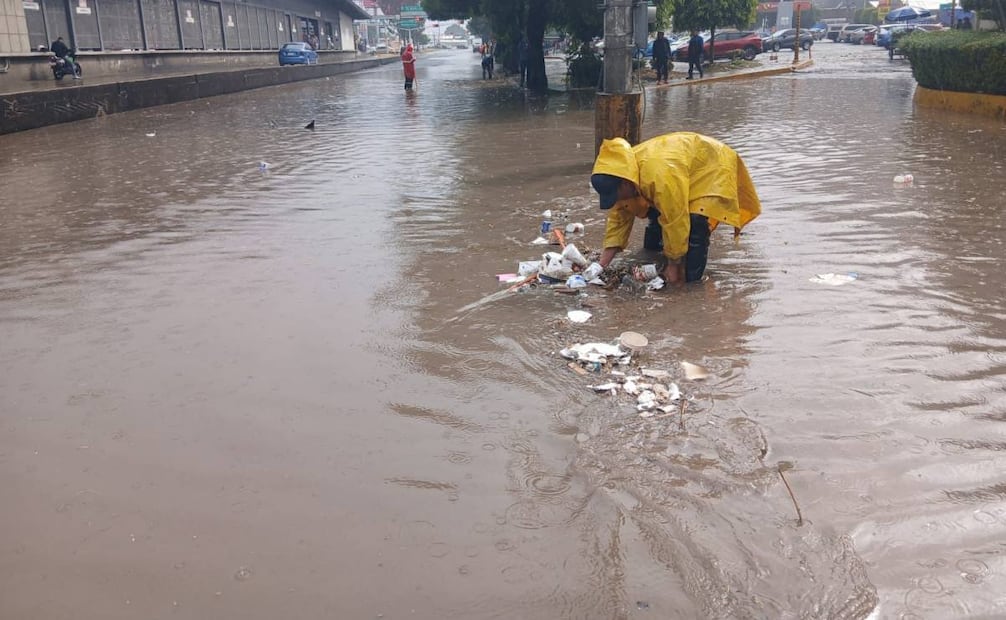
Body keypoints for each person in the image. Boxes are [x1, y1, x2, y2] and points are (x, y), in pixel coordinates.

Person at [589, 133, 761, 285]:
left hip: (712, 165)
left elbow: (675, 220)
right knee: (654, 213)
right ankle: (657, 258)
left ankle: (692, 284)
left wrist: (673, 265)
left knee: (695, 223)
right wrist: (600, 265)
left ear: (625, 183)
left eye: (615, 195)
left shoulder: (658, 177)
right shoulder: (621, 171)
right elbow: (618, 224)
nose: (617, 200)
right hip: (680, 168)